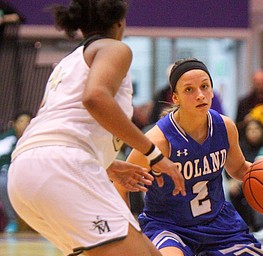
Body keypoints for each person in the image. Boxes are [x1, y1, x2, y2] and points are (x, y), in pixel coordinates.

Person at [7, 1, 185, 256]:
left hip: (25, 172)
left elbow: (61, 128)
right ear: (120, 23)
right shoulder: (114, 48)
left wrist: (108, 164)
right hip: (62, 167)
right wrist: (154, 154)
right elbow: (95, 98)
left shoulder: (67, 63)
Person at [116, 58, 263, 255]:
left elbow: (239, 168)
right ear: (175, 98)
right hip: (169, 226)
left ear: (212, 91)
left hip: (218, 223)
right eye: (189, 89)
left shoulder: (225, 127)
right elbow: (122, 183)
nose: (200, 95)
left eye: (205, 86)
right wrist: (127, 230)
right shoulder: (158, 140)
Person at [228, 119, 263, 232]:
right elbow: (232, 164)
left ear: (262, 130)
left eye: (256, 129)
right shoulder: (241, 146)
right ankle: (245, 225)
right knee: (233, 191)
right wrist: (231, 180)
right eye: (250, 130)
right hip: (244, 181)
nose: (253, 132)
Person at [0, 111, 31, 233]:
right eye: (22, 121)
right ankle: (12, 220)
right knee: (2, 181)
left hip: (29, 176)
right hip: (6, 174)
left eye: (28, 122)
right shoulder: (6, 139)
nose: (25, 125)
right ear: (14, 124)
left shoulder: (36, 138)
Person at [235, 69, 263, 135]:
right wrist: (245, 121)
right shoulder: (244, 102)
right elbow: (237, 126)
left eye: (262, 81)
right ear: (253, 82)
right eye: (257, 82)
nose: (260, 85)